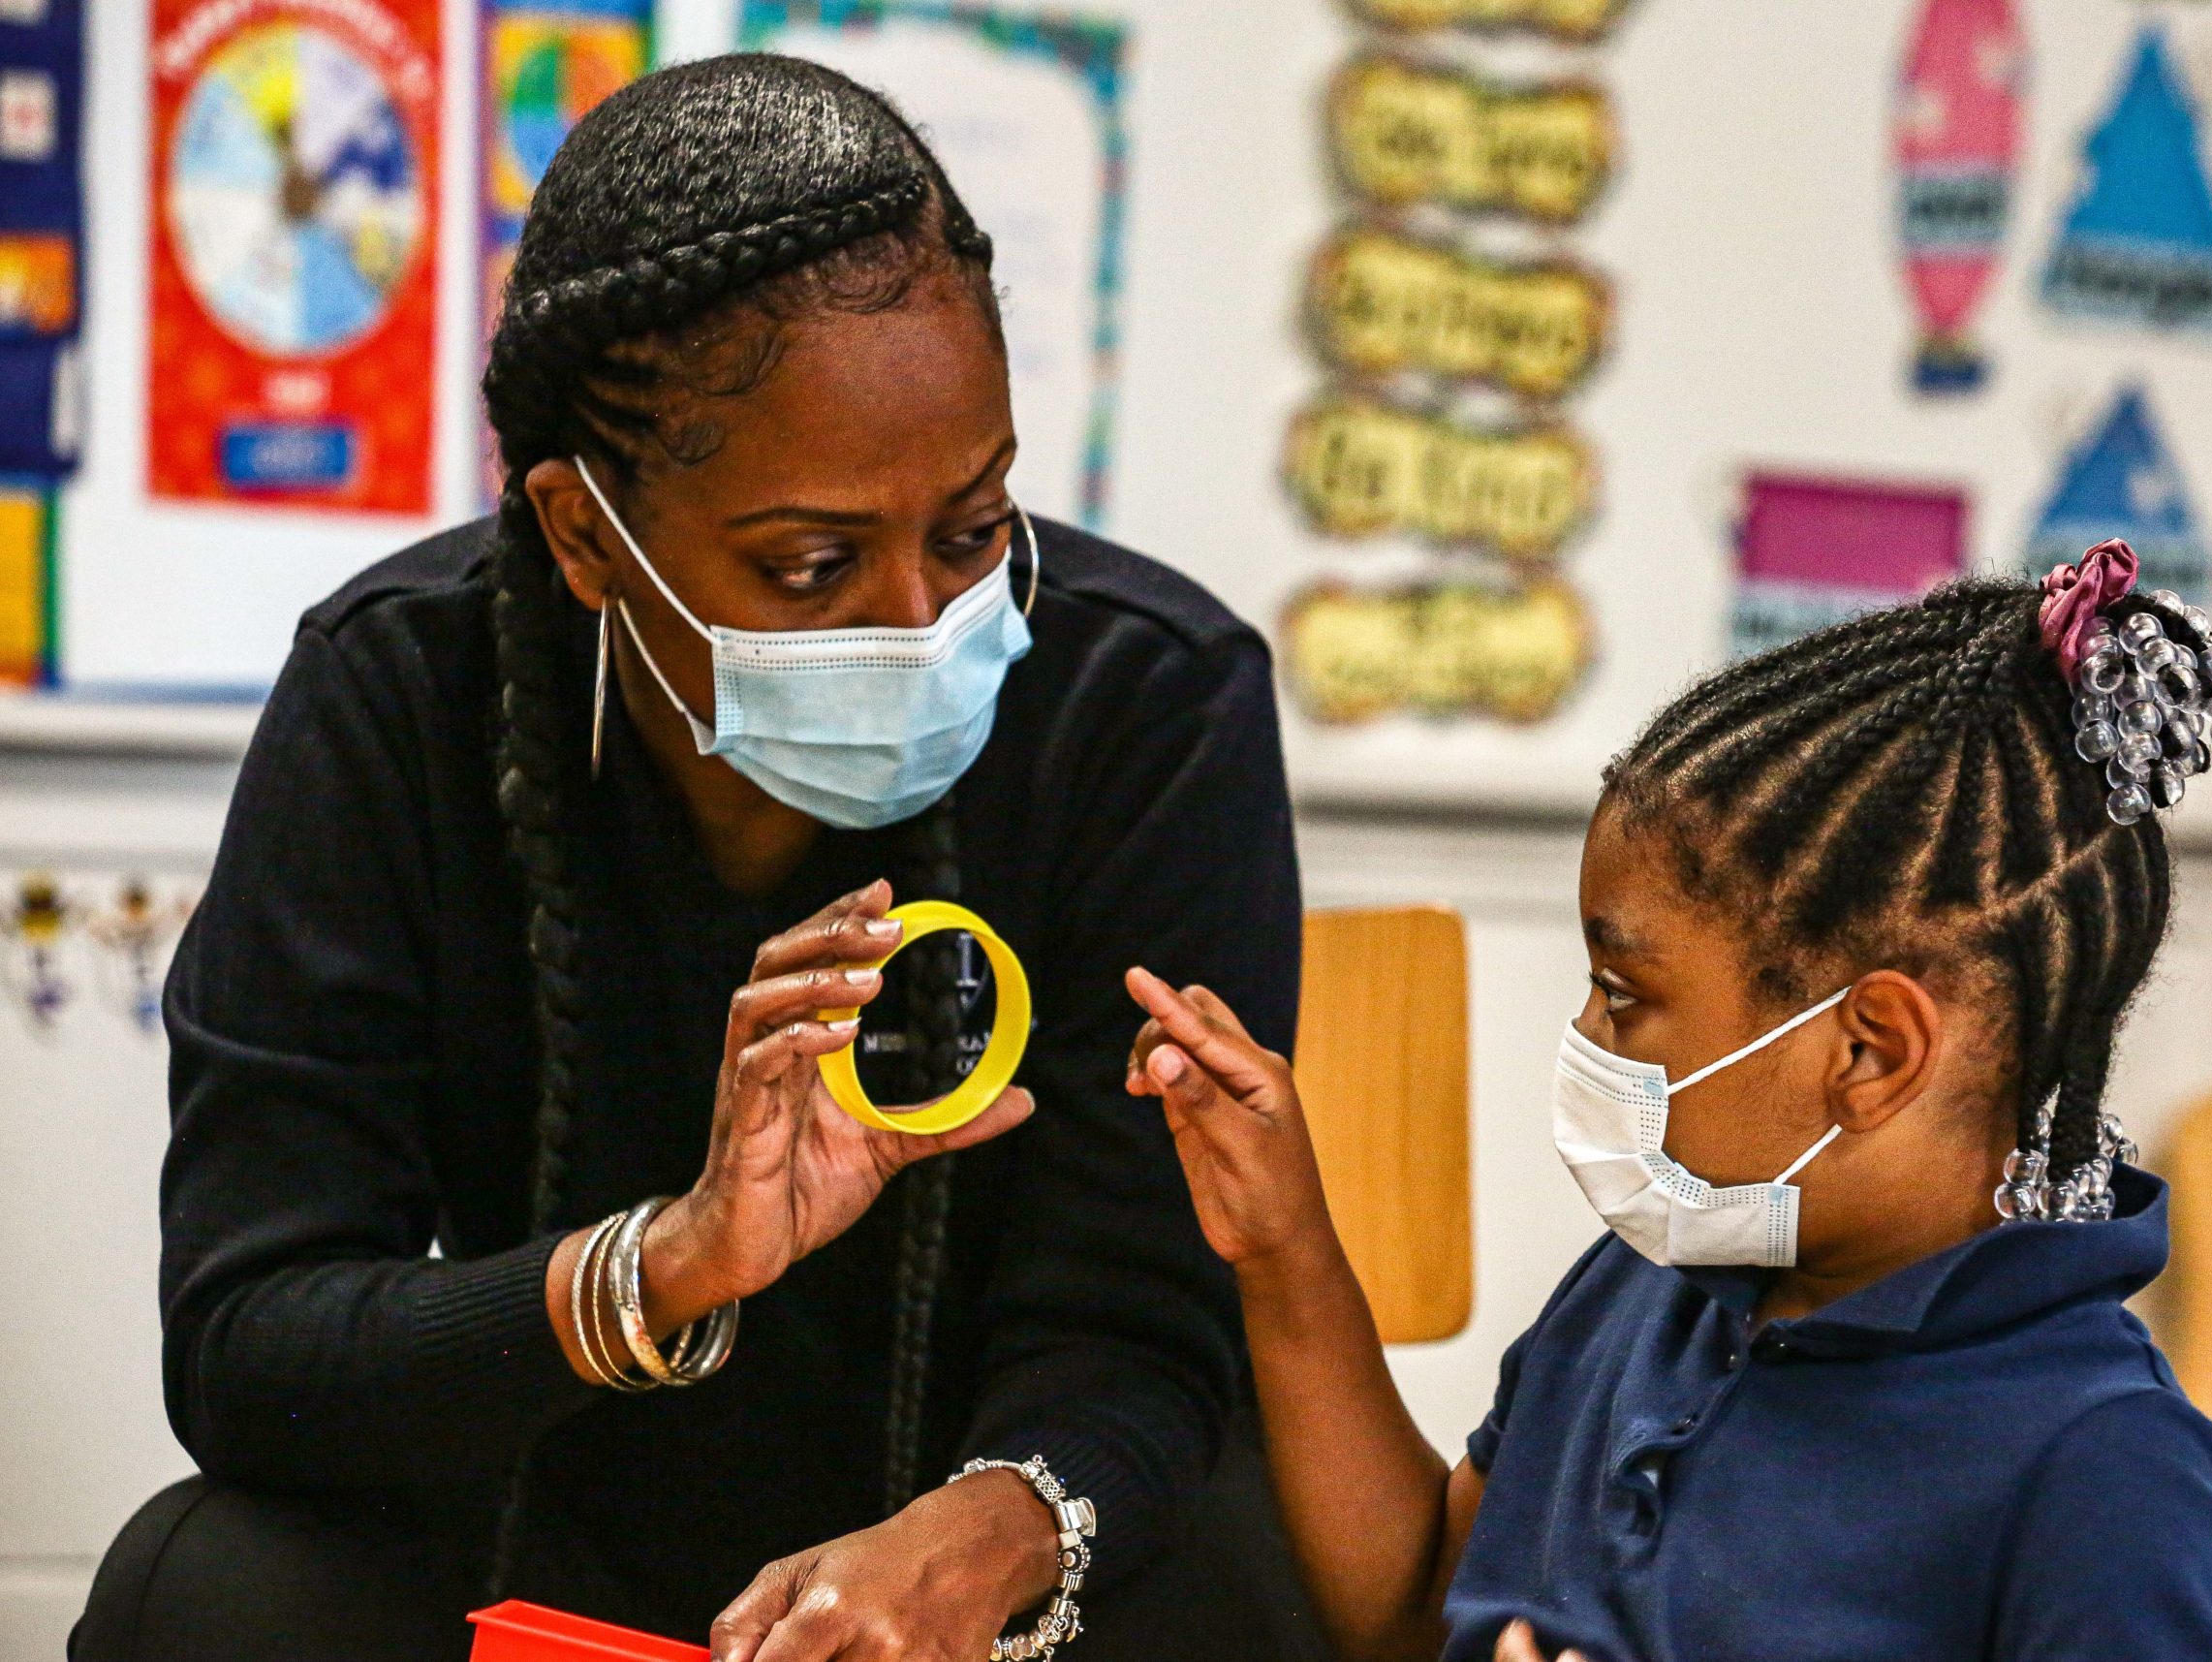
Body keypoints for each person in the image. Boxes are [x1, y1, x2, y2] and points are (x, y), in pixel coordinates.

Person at [75, 53, 1317, 1662]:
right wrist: (666, 1265)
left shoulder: (1147, 699)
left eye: (973, 526)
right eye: (810, 564)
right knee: (210, 1591)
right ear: (586, 536)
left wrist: (982, 1538)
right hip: (534, 1515)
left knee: (1232, 1585)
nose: (919, 622)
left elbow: (1143, 1329)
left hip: (990, 1545)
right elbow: (253, 1347)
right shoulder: (399, 691)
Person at [1123, 548, 2212, 1661]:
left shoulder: (2105, 1471)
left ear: (1870, 1051)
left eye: (1624, 995)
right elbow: (1416, 1608)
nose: (1585, 1036)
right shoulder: (1650, 1280)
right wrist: (1285, 1246)